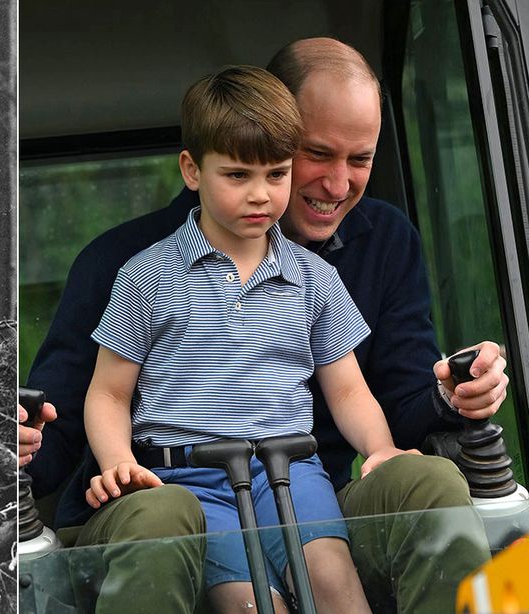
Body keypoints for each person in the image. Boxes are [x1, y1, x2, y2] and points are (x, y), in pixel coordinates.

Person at [19, 38, 509, 613]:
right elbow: (83, 405)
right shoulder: (135, 269)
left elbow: (375, 393)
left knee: (427, 490)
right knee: (187, 539)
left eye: (360, 160)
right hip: (174, 494)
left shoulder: (348, 260)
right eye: (317, 154)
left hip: (300, 484)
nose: (335, 184)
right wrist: (22, 444)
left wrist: (448, 398)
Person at [84, 64, 405, 613]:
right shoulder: (148, 275)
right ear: (192, 170)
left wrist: (381, 449)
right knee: (250, 604)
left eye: (277, 175)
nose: (261, 195)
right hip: (190, 480)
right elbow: (109, 393)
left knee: (335, 589)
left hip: (293, 473)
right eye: (237, 176)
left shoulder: (313, 277)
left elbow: (348, 390)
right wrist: (118, 462)